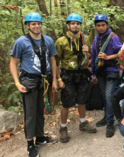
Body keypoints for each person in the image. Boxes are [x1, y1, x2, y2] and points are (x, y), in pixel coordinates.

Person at [10, 12, 57, 157]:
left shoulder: (47, 40)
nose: (36, 26)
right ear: (28, 26)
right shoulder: (21, 42)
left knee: (40, 112)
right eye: (33, 24)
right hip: (28, 82)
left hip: (43, 81)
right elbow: (13, 63)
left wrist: (55, 79)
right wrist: (17, 83)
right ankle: (30, 144)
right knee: (30, 114)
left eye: (38, 23)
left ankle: (40, 138)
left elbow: (53, 60)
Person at [55, 13, 97, 143]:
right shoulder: (61, 41)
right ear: (68, 25)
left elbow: (87, 58)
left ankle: (83, 123)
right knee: (66, 102)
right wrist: (58, 79)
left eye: (77, 23)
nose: (75, 25)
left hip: (82, 73)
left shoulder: (84, 39)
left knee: (82, 100)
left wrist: (87, 51)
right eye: (72, 23)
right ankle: (63, 128)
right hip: (68, 74)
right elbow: (55, 62)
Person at [91, 14, 122, 137]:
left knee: (109, 96)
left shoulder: (113, 37)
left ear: (107, 25)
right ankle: (107, 116)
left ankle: (110, 123)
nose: (101, 27)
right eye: (98, 25)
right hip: (100, 71)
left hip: (111, 70)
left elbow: (121, 53)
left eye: (103, 25)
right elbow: (93, 57)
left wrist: (108, 57)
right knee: (104, 95)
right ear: (95, 26)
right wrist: (93, 73)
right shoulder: (95, 40)